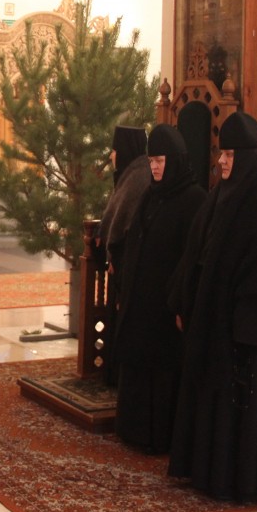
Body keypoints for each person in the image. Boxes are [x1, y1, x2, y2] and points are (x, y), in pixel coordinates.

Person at [167, 111, 257, 503]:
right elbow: (198, 252)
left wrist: (246, 329)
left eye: (228, 155)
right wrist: (185, 299)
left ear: (247, 156)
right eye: (221, 154)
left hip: (247, 331)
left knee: (242, 408)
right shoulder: (223, 193)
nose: (221, 161)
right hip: (216, 320)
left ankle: (242, 481)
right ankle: (209, 473)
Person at [113, 124, 206, 454]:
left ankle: (158, 437)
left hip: (166, 305)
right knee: (137, 365)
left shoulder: (194, 200)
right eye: (151, 160)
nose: (154, 167)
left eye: (160, 161)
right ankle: (133, 430)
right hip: (140, 300)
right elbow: (134, 241)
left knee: (162, 373)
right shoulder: (151, 195)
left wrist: (178, 301)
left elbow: (191, 258)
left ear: (176, 160)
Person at [97, 125, 151, 385]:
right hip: (122, 260)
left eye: (115, 150)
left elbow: (122, 222)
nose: (112, 156)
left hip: (130, 263)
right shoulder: (132, 173)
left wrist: (114, 253)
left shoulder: (138, 177)